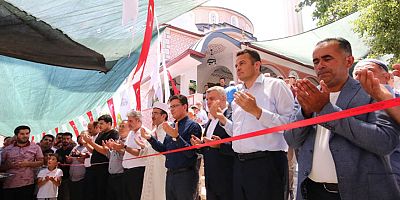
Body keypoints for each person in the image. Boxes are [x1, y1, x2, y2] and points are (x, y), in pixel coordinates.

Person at [284, 37, 400, 200]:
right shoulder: (307, 94)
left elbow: (385, 142)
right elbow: (292, 140)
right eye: (316, 61)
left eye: (327, 59)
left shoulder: (373, 91)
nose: (320, 65)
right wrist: (306, 112)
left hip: (361, 192)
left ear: (349, 61)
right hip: (311, 191)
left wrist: (326, 110)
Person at [212, 49, 295, 200]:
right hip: (240, 164)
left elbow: (291, 125)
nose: (237, 68)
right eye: (236, 65)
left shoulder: (276, 86)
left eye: (242, 63)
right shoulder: (238, 93)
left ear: (257, 65)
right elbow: (238, 133)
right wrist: (222, 119)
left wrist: (257, 112)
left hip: (267, 164)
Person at [142, 94, 202, 200]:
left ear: (184, 107)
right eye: (171, 107)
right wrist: (150, 139)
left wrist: (177, 137)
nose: (172, 109)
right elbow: (165, 150)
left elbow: (191, 153)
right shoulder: (171, 127)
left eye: (175, 106)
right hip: (170, 175)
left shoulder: (193, 126)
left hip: (185, 176)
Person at [191, 86, 235, 200]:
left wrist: (220, 145)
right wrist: (200, 145)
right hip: (211, 178)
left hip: (227, 177)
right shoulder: (211, 121)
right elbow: (209, 147)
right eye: (207, 99)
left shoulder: (233, 116)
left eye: (212, 99)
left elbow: (239, 144)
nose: (208, 102)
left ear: (223, 98)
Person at [0, 125, 44, 200]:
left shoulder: (35, 147)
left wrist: (28, 164)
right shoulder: (7, 149)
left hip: (27, 183)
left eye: (27, 133)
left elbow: (41, 162)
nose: (25, 136)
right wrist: (8, 166)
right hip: (9, 183)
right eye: (22, 134)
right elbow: (1, 167)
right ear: (16, 135)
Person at [82, 115, 119, 200]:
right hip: (94, 168)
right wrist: (86, 143)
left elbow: (106, 151)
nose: (99, 126)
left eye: (102, 123)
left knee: (102, 192)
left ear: (109, 123)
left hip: (104, 167)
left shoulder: (113, 133)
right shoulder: (100, 134)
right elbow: (94, 150)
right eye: (99, 124)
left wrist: (90, 142)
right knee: (93, 193)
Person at [140, 102, 169, 200]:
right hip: (150, 168)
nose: (153, 116)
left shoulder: (168, 130)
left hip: (161, 169)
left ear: (164, 115)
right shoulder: (152, 132)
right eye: (152, 113)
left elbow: (163, 148)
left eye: (156, 113)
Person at [121, 110, 146, 200]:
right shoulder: (131, 133)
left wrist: (124, 147)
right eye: (128, 121)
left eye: (130, 121)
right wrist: (118, 148)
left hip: (137, 172)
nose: (128, 123)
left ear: (138, 120)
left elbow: (140, 153)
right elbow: (128, 152)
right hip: (128, 171)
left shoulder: (143, 132)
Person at [66, 134, 87, 200]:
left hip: (82, 178)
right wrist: (68, 159)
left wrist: (78, 156)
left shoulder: (87, 148)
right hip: (72, 178)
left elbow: (86, 161)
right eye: (79, 139)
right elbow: (69, 160)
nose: (80, 140)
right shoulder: (75, 148)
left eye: (82, 138)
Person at [55, 132, 73, 200]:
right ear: (61, 139)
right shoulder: (57, 151)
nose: (65, 140)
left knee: (67, 196)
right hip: (59, 176)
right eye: (64, 139)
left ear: (71, 140)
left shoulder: (73, 150)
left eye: (68, 139)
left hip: (69, 176)